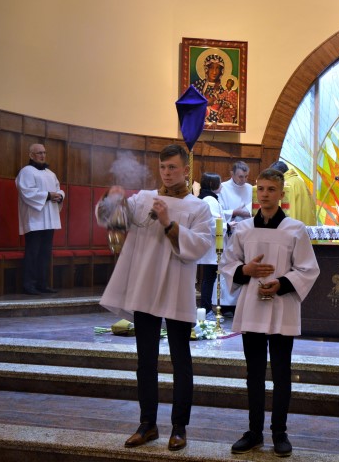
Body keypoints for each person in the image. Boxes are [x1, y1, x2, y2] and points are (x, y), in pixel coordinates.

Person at [95, 144, 212, 451]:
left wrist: (168, 223)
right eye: (163, 167)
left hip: (175, 288)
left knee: (180, 360)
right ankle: (147, 424)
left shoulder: (198, 207)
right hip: (145, 286)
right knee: (145, 360)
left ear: (185, 169)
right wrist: (112, 200)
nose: (167, 173)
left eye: (172, 167)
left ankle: (179, 428)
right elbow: (113, 221)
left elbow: (200, 246)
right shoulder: (144, 198)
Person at [220, 168, 320, 457]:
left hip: (281, 307)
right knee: (253, 373)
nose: (265, 194)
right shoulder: (243, 229)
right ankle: (254, 432)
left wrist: (282, 283)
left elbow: (308, 269)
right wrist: (246, 270)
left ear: (281, 193)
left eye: (271, 189)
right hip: (252, 306)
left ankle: (279, 433)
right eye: (261, 189)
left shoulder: (295, 229)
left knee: (281, 373)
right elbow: (228, 264)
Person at [15, 143, 64, 295]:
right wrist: (48, 195)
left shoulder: (50, 173)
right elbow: (26, 192)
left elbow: (58, 188)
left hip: (49, 219)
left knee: (45, 253)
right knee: (33, 253)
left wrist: (60, 195)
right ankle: (29, 285)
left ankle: (43, 284)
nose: (43, 155)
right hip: (35, 219)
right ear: (31, 155)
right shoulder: (26, 171)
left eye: (44, 152)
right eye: (39, 153)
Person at [217, 160, 253, 316]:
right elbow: (218, 211)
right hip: (229, 234)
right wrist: (235, 212)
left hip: (247, 234)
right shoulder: (223, 188)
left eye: (246, 176)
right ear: (231, 174)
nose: (243, 180)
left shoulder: (251, 189)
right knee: (228, 267)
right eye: (240, 176)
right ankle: (225, 305)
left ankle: (240, 304)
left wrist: (248, 213)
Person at [197, 172, 225, 317]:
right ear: (212, 184)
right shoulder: (210, 200)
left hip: (210, 245)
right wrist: (228, 226)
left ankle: (206, 309)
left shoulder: (207, 198)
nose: (221, 186)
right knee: (209, 279)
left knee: (209, 278)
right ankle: (207, 309)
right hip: (212, 246)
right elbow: (214, 224)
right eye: (219, 183)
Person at [269, 161, 316, 226]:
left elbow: (284, 211)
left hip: (292, 227)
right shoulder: (299, 181)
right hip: (306, 226)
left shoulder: (285, 186)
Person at [193, 53, 226, 124]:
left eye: (217, 68)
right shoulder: (198, 84)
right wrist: (205, 103)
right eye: (211, 67)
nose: (214, 72)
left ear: (221, 71)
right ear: (206, 69)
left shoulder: (221, 90)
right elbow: (189, 103)